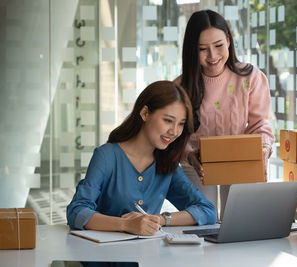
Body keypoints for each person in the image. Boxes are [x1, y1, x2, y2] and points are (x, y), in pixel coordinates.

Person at [67, 81, 217, 236]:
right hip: (104, 256)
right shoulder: (107, 156)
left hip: (147, 255)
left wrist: (159, 219)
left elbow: (208, 210)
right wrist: (125, 224)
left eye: (181, 124)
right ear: (145, 113)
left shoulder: (167, 165)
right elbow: (76, 212)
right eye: (168, 121)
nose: (174, 131)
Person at [175, 10, 274, 217]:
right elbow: (175, 134)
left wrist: (263, 148)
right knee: (204, 218)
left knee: (238, 220)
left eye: (219, 45)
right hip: (196, 164)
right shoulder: (180, 86)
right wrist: (188, 155)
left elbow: (260, 124)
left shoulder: (251, 78)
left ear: (228, 40)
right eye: (203, 49)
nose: (212, 56)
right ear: (192, 50)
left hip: (239, 159)